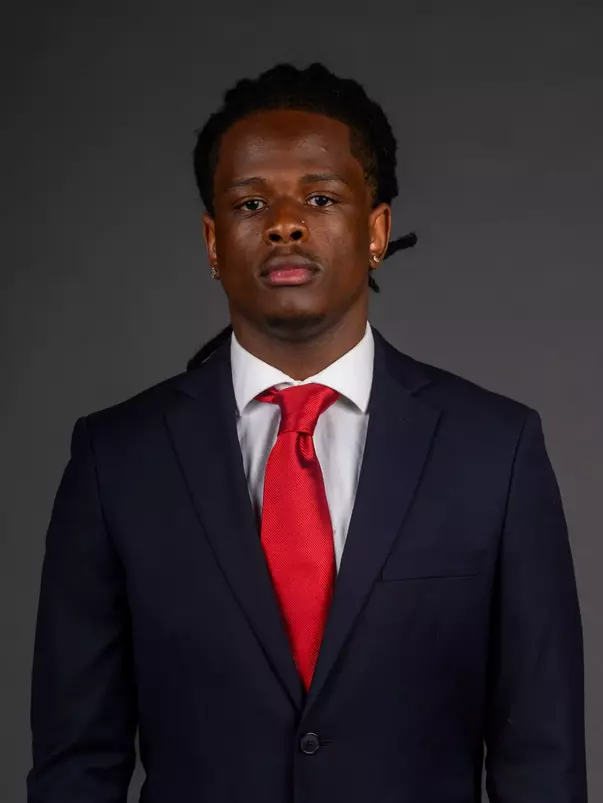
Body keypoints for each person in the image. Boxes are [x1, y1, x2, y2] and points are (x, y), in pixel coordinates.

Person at [27, 62, 587, 803]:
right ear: (212, 241)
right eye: (251, 201)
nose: (285, 222)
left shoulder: (495, 451)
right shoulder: (115, 460)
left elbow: (541, 762)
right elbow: (77, 763)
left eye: (320, 198)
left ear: (376, 229)